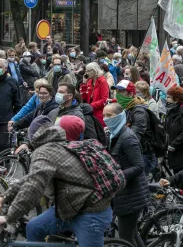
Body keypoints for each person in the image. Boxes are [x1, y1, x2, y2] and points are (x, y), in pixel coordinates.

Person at [0, 115, 113, 246]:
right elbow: (32, 177)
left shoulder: (44, 152)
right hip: (69, 208)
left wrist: (8, 217)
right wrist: (5, 196)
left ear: (33, 137)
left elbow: (33, 187)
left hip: (91, 212)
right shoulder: (59, 143)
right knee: (33, 228)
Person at [103, 103, 149, 246]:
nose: (105, 119)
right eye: (104, 115)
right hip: (124, 194)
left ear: (119, 116)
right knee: (132, 233)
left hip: (131, 195)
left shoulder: (128, 138)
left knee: (125, 237)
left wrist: (117, 176)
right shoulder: (113, 135)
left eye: (109, 116)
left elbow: (139, 166)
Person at [112, 80, 156, 175]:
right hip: (130, 152)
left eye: (121, 91)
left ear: (131, 94)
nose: (118, 94)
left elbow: (134, 136)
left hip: (142, 154)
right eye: (117, 91)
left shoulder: (139, 111)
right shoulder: (125, 109)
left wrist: (116, 150)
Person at [0, 58, 22, 150]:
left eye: (0, 67)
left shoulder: (12, 82)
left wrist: (15, 119)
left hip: (5, 121)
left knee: (4, 147)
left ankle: (5, 164)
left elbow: (18, 102)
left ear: (5, 68)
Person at [80, 62, 109, 127]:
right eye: (86, 71)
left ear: (94, 70)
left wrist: (91, 105)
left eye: (88, 71)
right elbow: (83, 97)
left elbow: (105, 100)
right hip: (90, 111)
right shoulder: (89, 81)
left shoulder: (103, 81)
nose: (86, 73)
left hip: (99, 112)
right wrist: (84, 83)